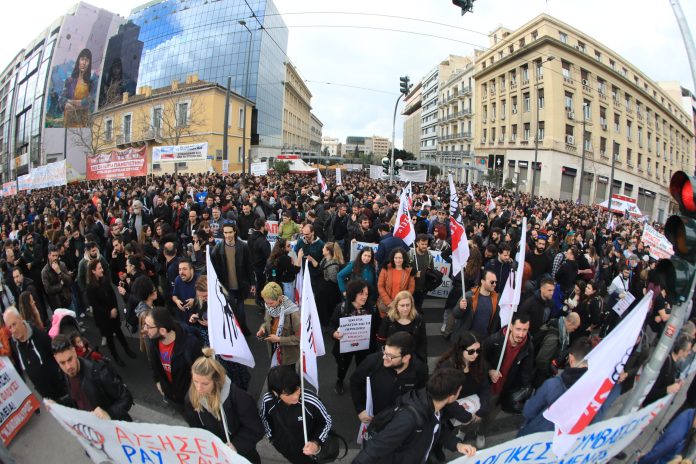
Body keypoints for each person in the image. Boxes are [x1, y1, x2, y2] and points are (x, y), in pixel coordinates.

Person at [353, 367, 477, 464]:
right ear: (451, 397)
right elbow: (375, 448)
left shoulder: (433, 403)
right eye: (459, 390)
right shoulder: (409, 419)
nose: (460, 393)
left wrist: (457, 444)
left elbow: (434, 427)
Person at [184, 348, 264, 463]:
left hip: (242, 456)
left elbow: (256, 429)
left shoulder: (240, 398)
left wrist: (236, 446)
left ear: (217, 380)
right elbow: (196, 427)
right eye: (195, 381)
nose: (198, 388)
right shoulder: (191, 397)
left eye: (205, 383)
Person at [478, 311, 534, 448]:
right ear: (510, 327)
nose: (521, 334)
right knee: (475, 411)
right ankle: (463, 430)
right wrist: (489, 370)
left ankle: (481, 432)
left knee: (489, 416)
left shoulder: (528, 347)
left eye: (525, 330)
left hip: (504, 390)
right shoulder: (494, 340)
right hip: (485, 385)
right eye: (518, 329)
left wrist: (524, 390)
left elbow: (526, 372)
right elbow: (480, 358)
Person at [518, 337, 593, 437]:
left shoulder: (553, 385)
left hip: (537, 437)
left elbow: (528, 411)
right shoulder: (595, 390)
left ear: (571, 359)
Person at [259, 365, 333, 464]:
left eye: (297, 389)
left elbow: (326, 421)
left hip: (309, 449)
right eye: (288, 394)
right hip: (285, 448)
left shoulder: (311, 400)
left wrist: (316, 443)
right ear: (275, 393)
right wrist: (272, 438)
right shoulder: (267, 401)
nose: (295, 397)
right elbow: (265, 418)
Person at [51, 334, 133, 421]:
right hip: (93, 430)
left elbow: (126, 397)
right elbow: (76, 397)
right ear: (56, 360)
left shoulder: (98, 371)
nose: (68, 367)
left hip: (115, 429)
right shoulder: (64, 374)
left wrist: (109, 414)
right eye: (62, 363)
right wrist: (58, 404)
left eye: (70, 359)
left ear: (74, 351)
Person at [350, 332, 428, 422]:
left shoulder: (419, 369)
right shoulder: (372, 361)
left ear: (406, 358)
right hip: (374, 417)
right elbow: (355, 382)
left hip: (400, 420)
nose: (384, 357)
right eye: (384, 351)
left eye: (390, 356)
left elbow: (421, 394)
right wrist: (360, 409)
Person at [142, 306, 203, 413]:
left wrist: (196, 397)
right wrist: (157, 381)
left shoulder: (190, 344)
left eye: (148, 326)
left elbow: (202, 373)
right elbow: (154, 364)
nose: (145, 329)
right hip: (172, 396)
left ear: (162, 330)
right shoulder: (154, 341)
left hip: (192, 399)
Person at [435, 331, 491, 444]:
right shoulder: (447, 367)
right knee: (442, 433)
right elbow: (443, 395)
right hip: (450, 410)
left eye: (478, 351)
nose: (476, 354)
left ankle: (463, 432)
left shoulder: (480, 363)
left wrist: (483, 409)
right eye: (471, 351)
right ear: (461, 350)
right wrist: (463, 414)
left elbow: (485, 387)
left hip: (470, 405)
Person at [4, 307, 65, 400]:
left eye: (14, 324)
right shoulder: (14, 344)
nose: (13, 330)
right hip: (46, 397)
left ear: (20, 318)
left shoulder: (38, 334)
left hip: (62, 390)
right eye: (10, 327)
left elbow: (56, 354)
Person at [329, 280, 379, 395]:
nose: (364, 297)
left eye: (366, 294)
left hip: (364, 345)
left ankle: (359, 383)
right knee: (343, 364)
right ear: (353, 293)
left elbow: (376, 326)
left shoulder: (372, 308)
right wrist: (334, 334)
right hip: (345, 345)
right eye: (361, 293)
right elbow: (332, 324)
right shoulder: (341, 307)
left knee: (362, 365)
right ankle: (340, 380)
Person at [86, 259, 135, 366]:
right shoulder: (90, 288)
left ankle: (127, 349)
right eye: (99, 268)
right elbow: (96, 306)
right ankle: (116, 357)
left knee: (119, 332)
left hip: (114, 313)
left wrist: (114, 309)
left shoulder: (105, 280)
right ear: (93, 271)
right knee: (109, 338)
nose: (102, 269)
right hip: (103, 318)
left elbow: (113, 295)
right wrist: (109, 313)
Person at [210, 222, 255, 335]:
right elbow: (214, 268)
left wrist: (252, 283)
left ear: (234, 232)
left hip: (241, 284)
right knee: (231, 311)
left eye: (230, 232)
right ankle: (235, 332)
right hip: (226, 285)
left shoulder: (243, 247)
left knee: (240, 310)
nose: (228, 235)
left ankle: (242, 331)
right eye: (225, 232)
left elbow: (249, 266)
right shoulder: (217, 249)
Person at [256, 282, 300, 368]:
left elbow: (299, 338)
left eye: (271, 303)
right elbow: (266, 322)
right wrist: (262, 328)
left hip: (288, 357)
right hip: (274, 350)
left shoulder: (293, 313)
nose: (268, 306)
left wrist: (279, 339)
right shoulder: (269, 307)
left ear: (279, 298)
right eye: (266, 303)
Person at [376, 290, 427, 363]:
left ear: (412, 305)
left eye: (408, 305)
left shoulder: (419, 320)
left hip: (412, 360)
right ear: (396, 305)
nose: (405, 309)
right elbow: (380, 342)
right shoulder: (388, 320)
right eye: (402, 305)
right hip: (391, 359)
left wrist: (422, 363)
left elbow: (422, 344)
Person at [533, 313, 581, 387]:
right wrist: (548, 372)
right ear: (569, 323)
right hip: (539, 374)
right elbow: (541, 360)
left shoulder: (561, 330)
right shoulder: (554, 337)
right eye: (574, 328)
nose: (573, 331)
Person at [643, 334, 692, 407]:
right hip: (645, 406)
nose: (689, 353)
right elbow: (650, 390)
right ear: (681, 351)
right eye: (688, 351)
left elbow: (665, 380)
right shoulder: (666, 363)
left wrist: (675, 381)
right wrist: (668, 389)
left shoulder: (674, 363)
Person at [450, 269, 500, 341]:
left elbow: (495, 322)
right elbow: (455, 314)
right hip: (467, 340)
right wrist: (460, 308)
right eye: (492, 282)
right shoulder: (469, 296)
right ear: (482, 281)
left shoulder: (496, 299)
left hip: (483, 340)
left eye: (496, 282)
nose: (494, 284)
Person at [376, 248, 415, 317]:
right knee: (385, 324)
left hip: (401, 305)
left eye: (400, 258)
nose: (398, 260)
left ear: (404, 258)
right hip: (386, 304)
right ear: (392, 258)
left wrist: (401, 302)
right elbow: (380, 286)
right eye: (396, 258)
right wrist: (389, 302)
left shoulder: (409, 271)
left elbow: (411, 288)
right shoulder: (386, 268)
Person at [265, 238, 299, 302]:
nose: (291, 246)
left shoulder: (273, 257)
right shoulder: (285, 258)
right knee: (288, 307)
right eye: (288, 246)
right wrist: (299, 257)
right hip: (285, 286)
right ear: (283, 248)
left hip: (274, 286)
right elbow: (295, 270)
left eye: (291, 245)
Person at [247, 218, 271, 310]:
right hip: (260, 267)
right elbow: (268, 255)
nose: (268, 228)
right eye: (266, 226)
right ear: (262, 227)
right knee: (260, 284)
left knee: (257, 284)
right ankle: (260, 301)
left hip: (252, 266)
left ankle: (258, 300)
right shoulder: (263, 241)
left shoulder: (250, 237)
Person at [41, 244, 73, 310]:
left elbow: (69, 281)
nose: (55, 258)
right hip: (57, 304)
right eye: (53, 256)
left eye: (56, 255)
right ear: (49, 256)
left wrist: (59, 272)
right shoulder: (45, 271)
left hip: (67, 299)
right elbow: (48, 290)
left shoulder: (62, 265)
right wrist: (60, 285)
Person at [409, 234, 434, 311]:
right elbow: (404, 270)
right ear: (417, 243)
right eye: (422, 244)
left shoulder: (429, 255)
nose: (424, 246)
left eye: (426, 244)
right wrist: (413, 273)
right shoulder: (410, 254)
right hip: (411, 289)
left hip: (423, 289)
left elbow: (431, 270)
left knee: (418, 309)